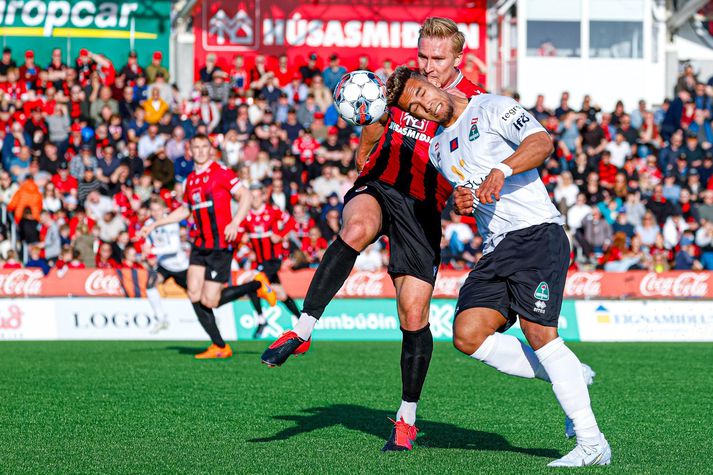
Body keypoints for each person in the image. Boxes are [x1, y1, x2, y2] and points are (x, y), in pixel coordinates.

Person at [261, 17, 484, 452]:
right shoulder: (402, 82)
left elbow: (475, 161)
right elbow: (372, 130)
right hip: (380, 186)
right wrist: (366, 161)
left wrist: (466, 192)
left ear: (458, 58)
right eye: (422, 55)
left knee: (413, 316)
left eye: (437, 58)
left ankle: (406, 419)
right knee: (357, 227)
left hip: (421, 209)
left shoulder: (472, 104)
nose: (427, 65)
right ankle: (303, 330)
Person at [385, 66, 610, 467]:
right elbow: (465, 190)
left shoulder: (492, 107)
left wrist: (502, 169)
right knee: (468, 335)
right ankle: (569, 371)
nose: (424, 105)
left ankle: (592, 443)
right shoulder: (437, 148)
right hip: (495, 248)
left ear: (434, 82)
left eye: (421, 92)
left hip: (537, 232)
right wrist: (460, 202)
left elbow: (542, 142)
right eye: (414, 107)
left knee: (540, 333)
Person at [140, 134, 275, 359]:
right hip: (199, 245)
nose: (201, 151)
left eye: (205, 147)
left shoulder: (221, 172)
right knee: (193, 293)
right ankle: (220, 346)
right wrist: (156, 223)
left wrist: (235, 222)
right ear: (190, 150)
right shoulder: (190, 180)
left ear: (211, 149)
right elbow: (185, 210)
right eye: (196, 147)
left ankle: (255, 285)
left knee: (209, 300)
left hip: (220, 245)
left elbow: (246, 195)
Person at [240, 184, 300, 338]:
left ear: (263, 196)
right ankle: (301, 319)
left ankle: (261, 320)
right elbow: (239, 236)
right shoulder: (246, 216)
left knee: (252, 284)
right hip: (259, 262)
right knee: (281, 294)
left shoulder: (272, 211)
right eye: (251, 196)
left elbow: (292, 222)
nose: (254, 199)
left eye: (257, 195)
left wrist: (280, 234)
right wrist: (246, 245)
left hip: (273, 260)